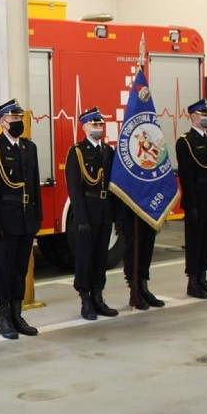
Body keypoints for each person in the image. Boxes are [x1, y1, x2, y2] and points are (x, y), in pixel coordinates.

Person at [0, 99, 43, 339]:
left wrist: (38, 217)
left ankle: (18, 314)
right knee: (4, 269)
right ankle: (4, 317)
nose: (19, 122)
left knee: (19, 269)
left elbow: (34, 184)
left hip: (26, 220)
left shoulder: (29, 148)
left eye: (20, 118)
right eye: (14, 119)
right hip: (5, 221)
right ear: (3, 122)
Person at [64, 107, 119, 320]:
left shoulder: (108, 151)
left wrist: (115, 216)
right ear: (85, 127)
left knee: (100, 257)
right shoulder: (77, 152)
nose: (98, 128)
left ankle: (98, 296)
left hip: (105, 212)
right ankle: (85, 299)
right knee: (85, 257)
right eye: (94, 125)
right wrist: (81, 218)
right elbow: (75, 189)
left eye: (100, 125)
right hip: (88, 211)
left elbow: (113, 186)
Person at [175, 99, 207, 299]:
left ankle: (203, 277)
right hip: (197, 197)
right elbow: (186, 177)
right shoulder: (185, 142)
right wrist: (192, 204)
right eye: (203, 115)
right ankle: (193, 281)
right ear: (193, 116)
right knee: (195, 241)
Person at [120, 204, 164, 310]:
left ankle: (143, 287)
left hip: (150, 205)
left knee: (147, 244)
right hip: (131, 205)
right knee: (133, 246)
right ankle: (134, 290)